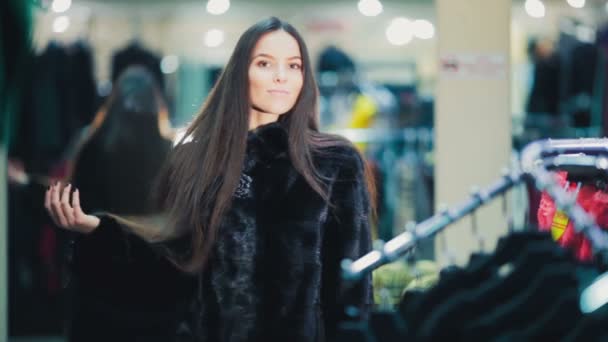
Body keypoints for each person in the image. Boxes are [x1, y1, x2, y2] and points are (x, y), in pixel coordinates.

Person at [45, 17, 375, 342]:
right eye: (264, 63)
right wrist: (97, 229)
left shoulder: (334, 163)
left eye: (294, 66)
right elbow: (175, 262)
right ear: (239, 73)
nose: (281, 77)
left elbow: (352, 289)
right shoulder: (198, 159)